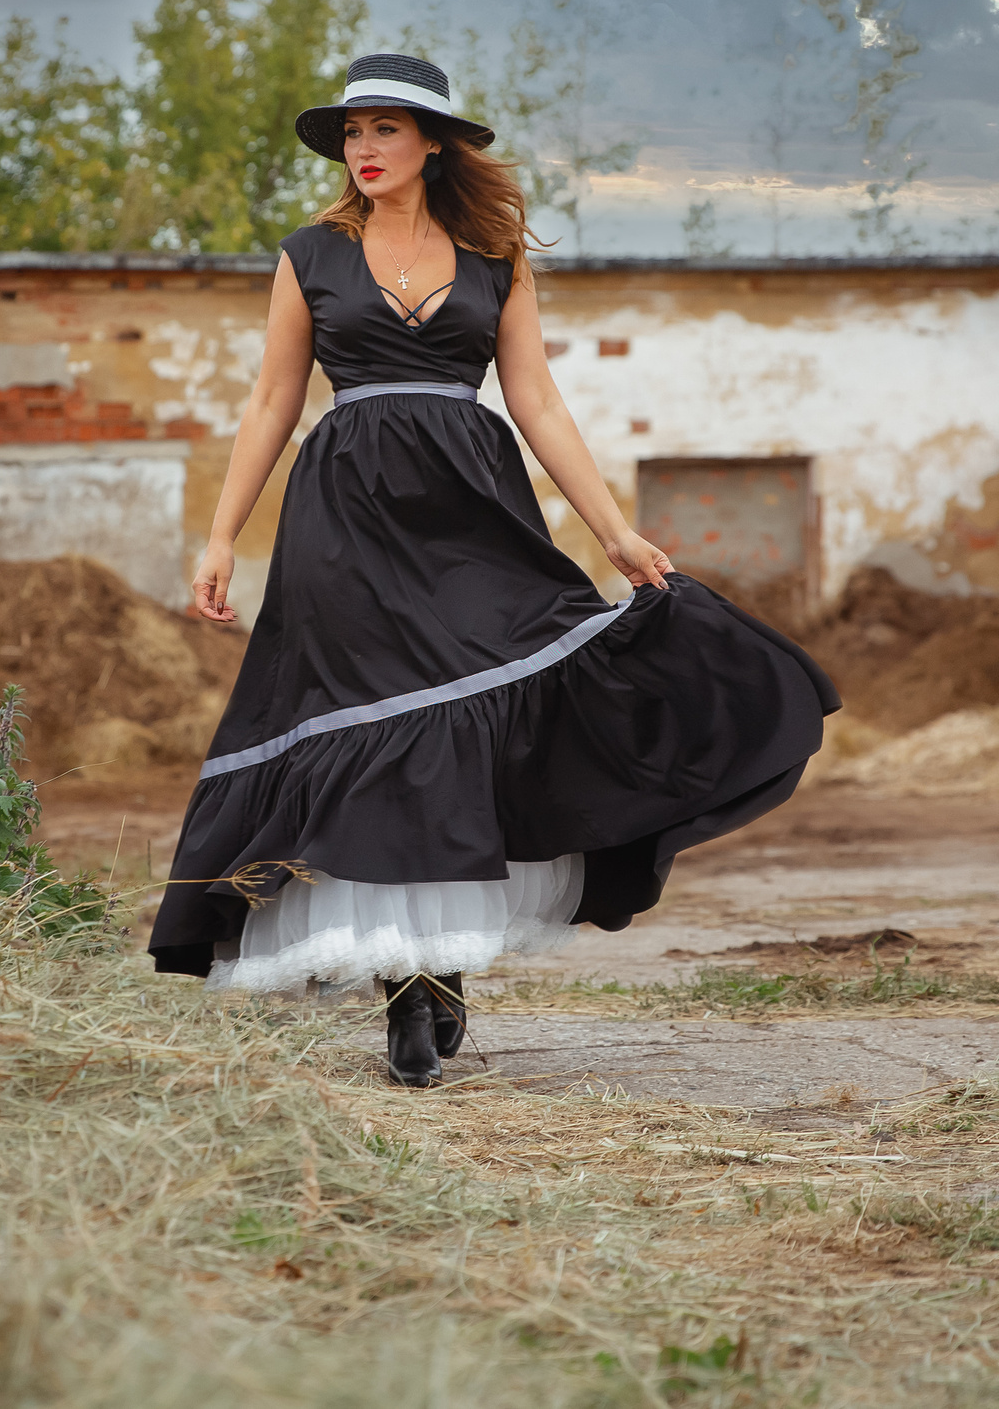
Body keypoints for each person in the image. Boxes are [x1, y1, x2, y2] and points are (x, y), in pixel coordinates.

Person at [148, 53, 839, 1086]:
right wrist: (217, 536)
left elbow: (539, 401)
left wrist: (612, 532)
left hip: (473, 508)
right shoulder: (309, 255)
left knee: (475, 712)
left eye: (386, 129)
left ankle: (441, 970)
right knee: (382, 730)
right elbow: (270, 404)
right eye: (352, 133)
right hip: (343, 520)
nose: (365, 149)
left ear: (433, 143)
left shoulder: (496, 259)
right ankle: (410, 992)